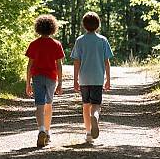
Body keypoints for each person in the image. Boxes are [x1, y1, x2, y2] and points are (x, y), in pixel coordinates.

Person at [71, 11, 113, 143]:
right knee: (96, 105)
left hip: (84, 79)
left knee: (85, 105)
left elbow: (76, 61)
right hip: (97, 78)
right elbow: (107, 62)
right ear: (98, 25)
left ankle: (88, 134)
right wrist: (108, 79)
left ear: (84, 25)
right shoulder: (102, 40)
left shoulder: (80, 40)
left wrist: (75, 80)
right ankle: (95, 116)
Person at [25, 14, 64, 147]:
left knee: (39, 105)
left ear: (38, 28)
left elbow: (29, 65)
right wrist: (60, 83)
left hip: (37, 77)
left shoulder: (34, 44)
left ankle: (41, 129)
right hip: (52, 77)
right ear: (53, 28)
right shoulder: (56, 44)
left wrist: (27, 83)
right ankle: (47, 132)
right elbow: (59, 65)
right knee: (49, 105)